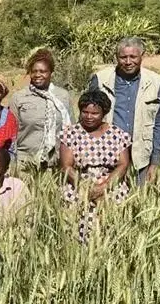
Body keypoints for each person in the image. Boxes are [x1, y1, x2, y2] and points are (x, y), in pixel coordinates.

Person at [89, 37, 160, 185]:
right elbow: (87, 116)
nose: (128, 62)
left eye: (133, 57)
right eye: (123, 57)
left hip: (141, 156)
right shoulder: (101, 79)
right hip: (107, 155)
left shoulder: (155, 82)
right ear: (117, 58)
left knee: (140, 201)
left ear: (141, 56)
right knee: (107, 201)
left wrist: (155, 161)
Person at [60, 91, 131, 243]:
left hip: (111, 186)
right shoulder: (70, 134)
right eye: (85, 112)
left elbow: (123, 164)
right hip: (79, 186)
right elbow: (66, 166)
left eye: (94, 113)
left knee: (111, 234)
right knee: (77, 236)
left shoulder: (118, 134)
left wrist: (104, 186)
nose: (89, 117)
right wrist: (87, 187)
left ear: (104, 113)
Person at [9, 48, 74, 168]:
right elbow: (11, 134)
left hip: (55, 163)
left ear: (51, 73)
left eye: (43, 71)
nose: (38, 75)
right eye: (34, 71)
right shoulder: (19, 97)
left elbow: (71, 131)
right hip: (25, 163)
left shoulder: (63, 96)